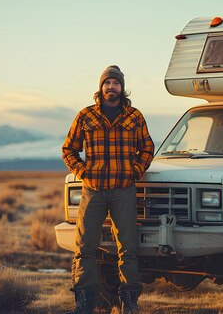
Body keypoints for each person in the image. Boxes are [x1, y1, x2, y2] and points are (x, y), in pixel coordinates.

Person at [62, 65, 155, 314]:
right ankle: (84, 304)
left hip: (123, 191)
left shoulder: (134, 116)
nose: (111, 87)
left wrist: (134, 171)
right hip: (93, 191)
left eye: (115, 83)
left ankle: (130, 303)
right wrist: (82, 172)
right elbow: (68, 148)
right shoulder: (86, 116)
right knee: (85, 249)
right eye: (107, 83)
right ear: (100, 87)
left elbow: (147, 147)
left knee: (128, 248)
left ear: (122, 88)